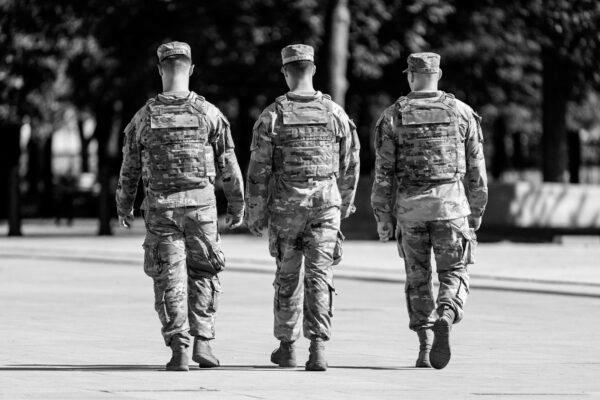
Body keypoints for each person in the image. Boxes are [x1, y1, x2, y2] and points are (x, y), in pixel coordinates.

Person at [115, 41, 244, 371]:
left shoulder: (144, 116)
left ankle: (179, 348)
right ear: (192, 69)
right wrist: (237, 204)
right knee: (205, 272)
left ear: (160, 69)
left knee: (168, 276)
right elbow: (228, 164)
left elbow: (129, 168)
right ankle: (204, 342)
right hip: (202, 208)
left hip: (161, 209)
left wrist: (124, 205)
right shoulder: (209, 113)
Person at [245, 44, 360, 371]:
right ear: (313, 70)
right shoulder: (335, 113)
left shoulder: (273, 115)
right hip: (325, 206)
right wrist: (345, 203)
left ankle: (287, 346)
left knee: (287, 276)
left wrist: (255, 212)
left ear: (286, 72)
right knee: (320, 275)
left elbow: (259, 170)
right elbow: (351, 163)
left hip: (287, 208)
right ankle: (318, 347)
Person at [371, 52, 488, 369]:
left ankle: (424, 346)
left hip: (410, 212)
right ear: (439, 74)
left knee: (417, 279)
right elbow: (476, 169)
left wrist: (383, 216)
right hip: (451, 207)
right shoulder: (462, 112)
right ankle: (446, 314)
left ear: (411, 76)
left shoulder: (393, 116)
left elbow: (383, 173)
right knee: (454, 272)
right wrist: (477, 208)